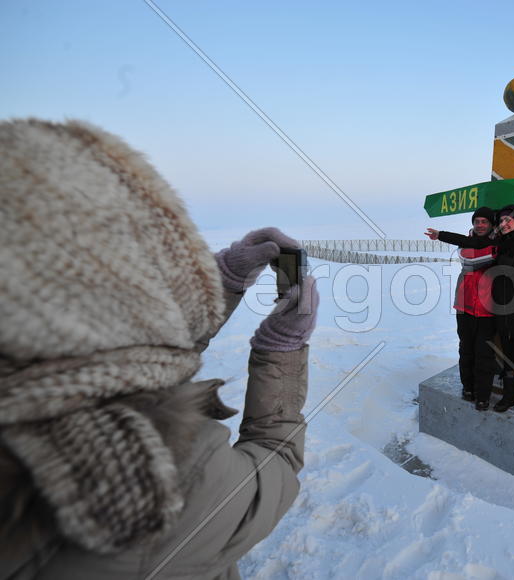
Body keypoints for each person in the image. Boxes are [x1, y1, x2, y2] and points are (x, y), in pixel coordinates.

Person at [0, 119, 318, 579]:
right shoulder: (153, 472)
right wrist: (282, 348)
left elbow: (117, 352)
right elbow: (275, 461)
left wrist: (223, 279)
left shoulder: (38, 369)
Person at [426, 204, 514, 416]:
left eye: (509, 219)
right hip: (501, 310)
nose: (504, 223)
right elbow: (470, 241)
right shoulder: (498, 243)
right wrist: (441, 235)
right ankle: (509, 396)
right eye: (501, 220)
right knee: (508, 356)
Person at [427, 208, 498, 410]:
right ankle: (468, 387)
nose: (480, 225)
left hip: (488, 309)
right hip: (464, 306)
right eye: (477, 221)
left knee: (484, 354)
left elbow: (479, 246)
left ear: (492, 224)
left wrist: (442, 235)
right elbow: (470, 247)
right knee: (466, 350)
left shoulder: (496, 244)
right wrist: (440, 235)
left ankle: (483, 395)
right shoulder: (466, 245)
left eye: (485, 221)